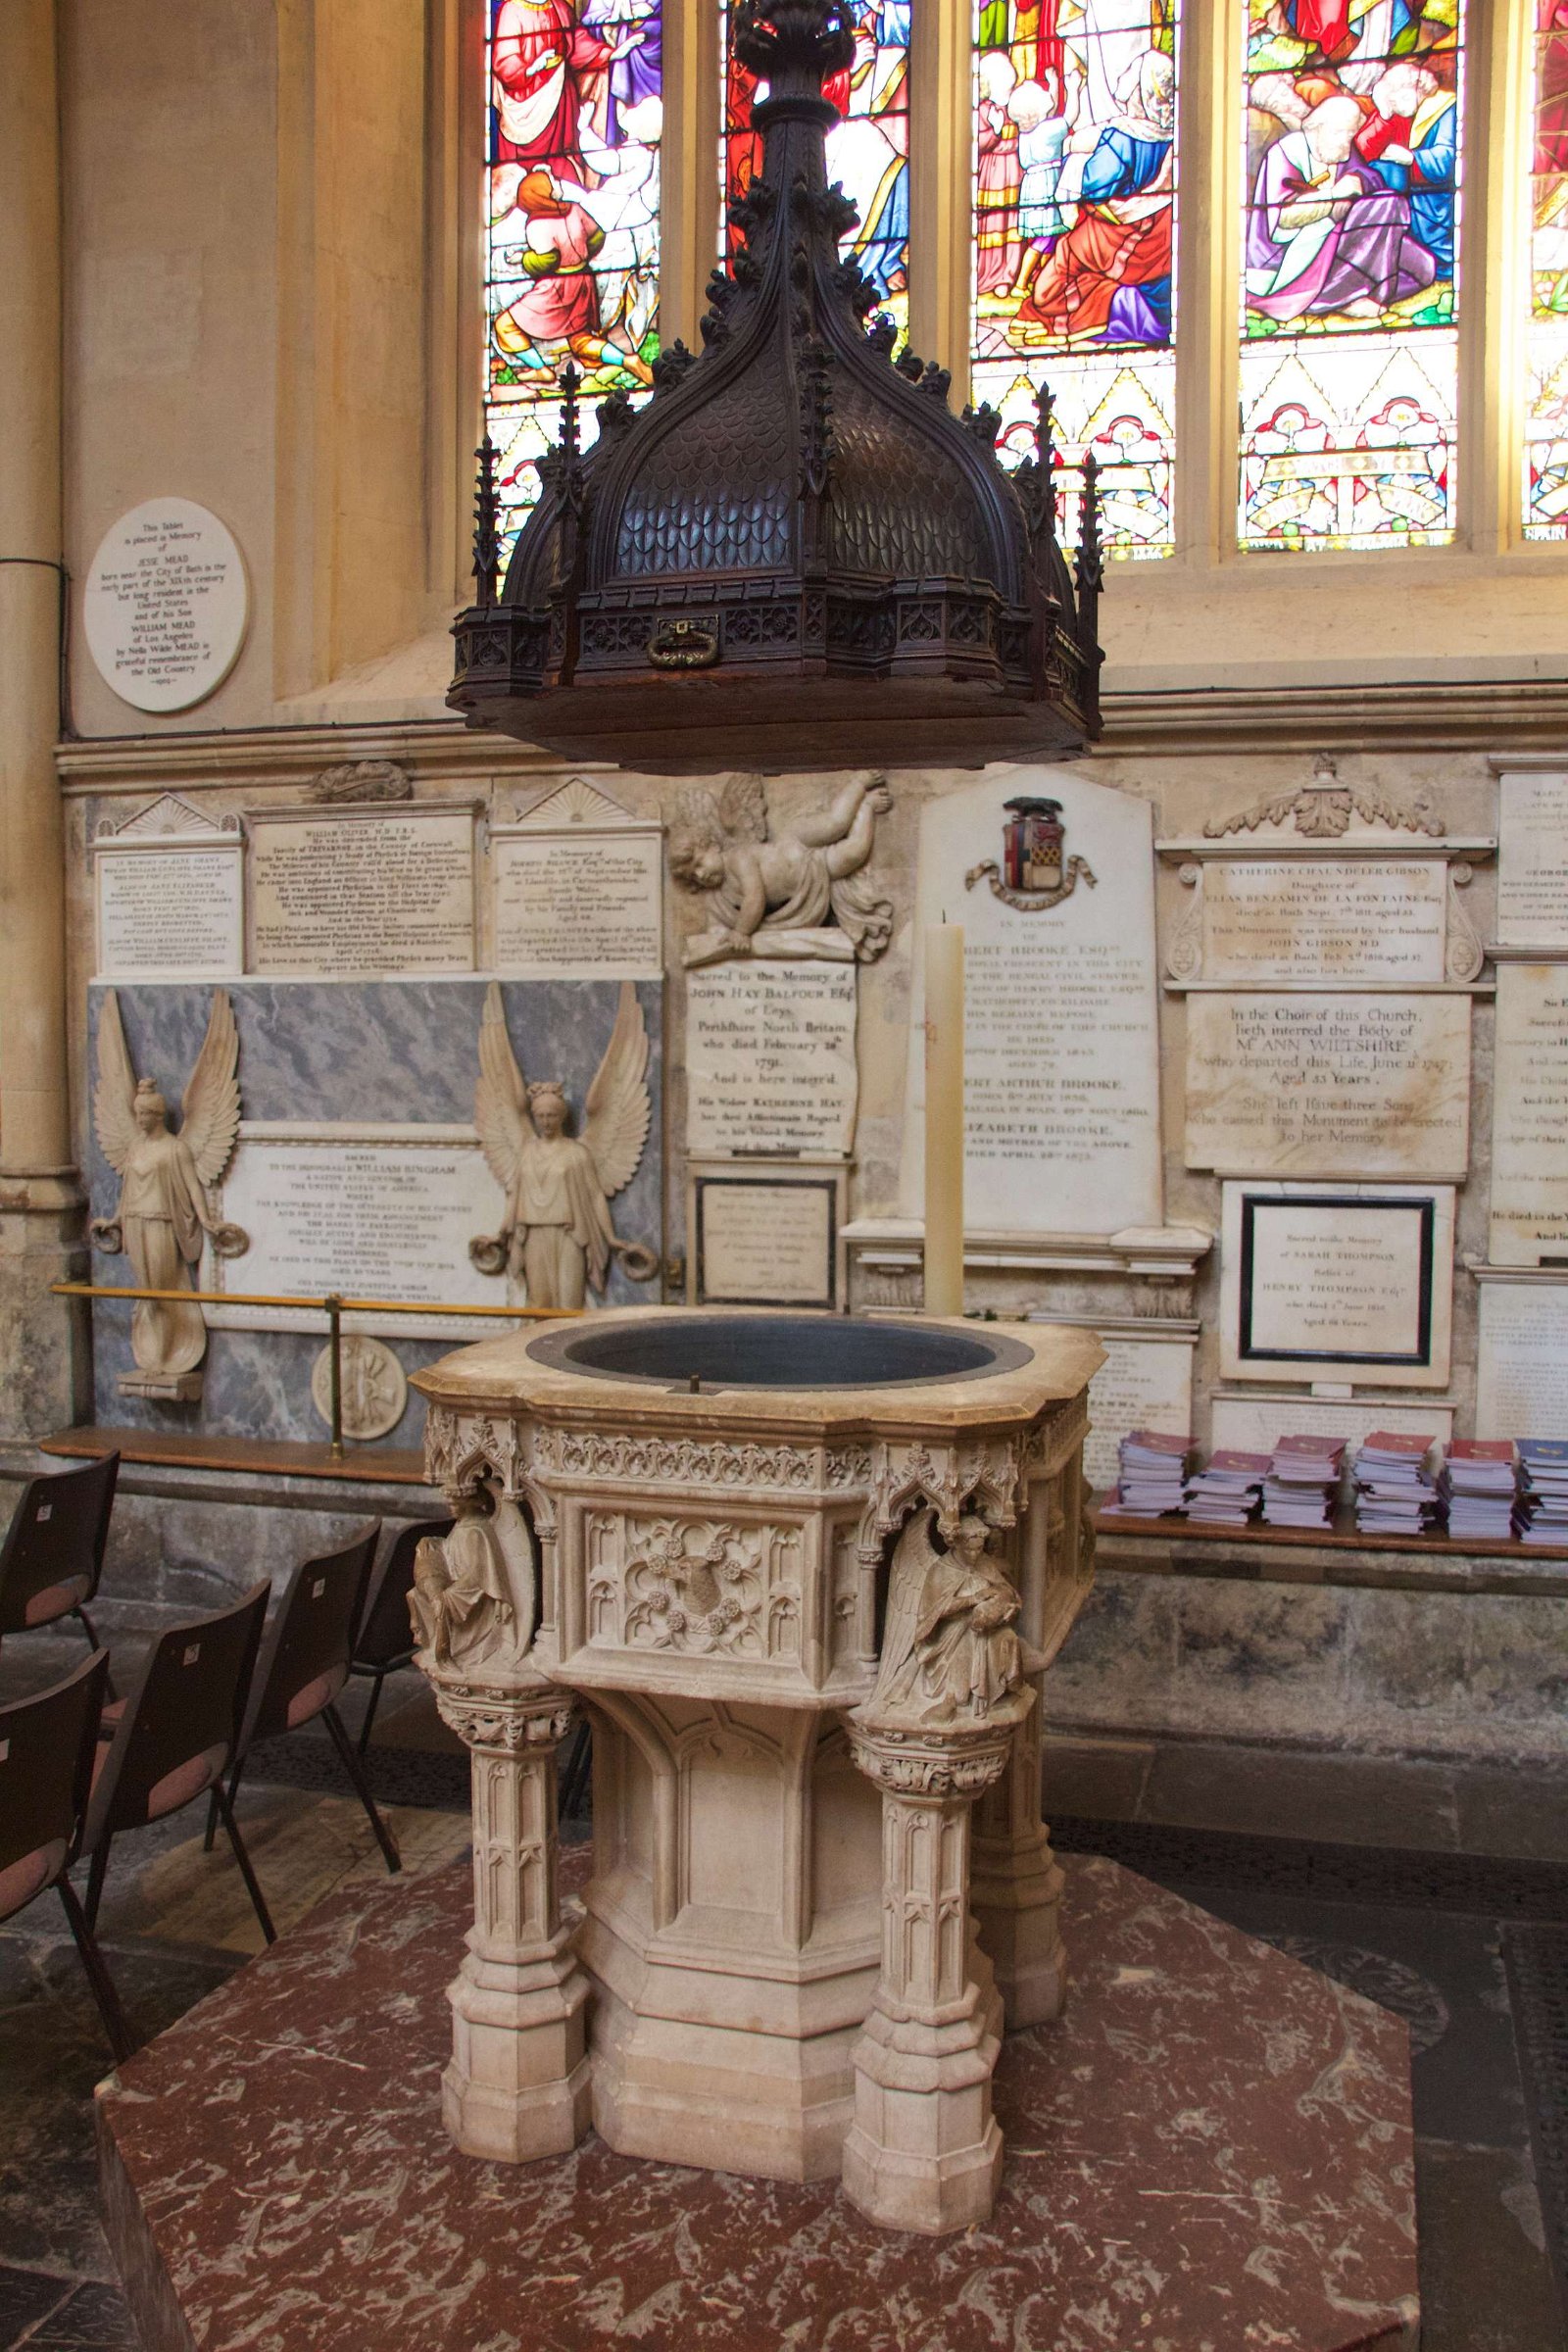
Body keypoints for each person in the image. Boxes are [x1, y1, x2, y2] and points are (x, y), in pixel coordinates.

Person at [1009, 47, 1174, 346]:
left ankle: (1111, 309)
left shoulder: (1123, 139)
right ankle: (1127, 305)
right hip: (1158, 236)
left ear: (1142, 92)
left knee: (1048, 287)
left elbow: (1093, 184)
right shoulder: (1168, 136)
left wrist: (1078, 161)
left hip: (1116, 232)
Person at [1246, 88, 1436, 323]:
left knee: (1423, 269)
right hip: (1285, 257)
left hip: (1339, 244)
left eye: (1350, 134)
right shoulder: (1285, 154)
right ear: (1315, 128)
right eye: (1338, 133)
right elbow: (1282, 219)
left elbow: (1370, 180)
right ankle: (1347, 296)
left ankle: (1338, 293)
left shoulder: (1340, 151)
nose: (1345, 141)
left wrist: (1359, 181)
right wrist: (1334, 196)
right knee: (1387, 204)